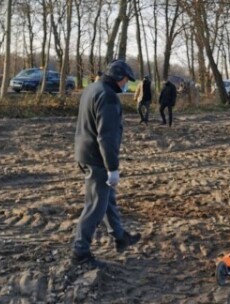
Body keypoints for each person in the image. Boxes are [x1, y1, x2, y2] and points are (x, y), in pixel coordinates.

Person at [72, 60, 141, 268]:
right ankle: (80, 251)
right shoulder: (109, 98)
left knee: (107, 198)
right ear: (120, 78)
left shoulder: (92, 88)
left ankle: (120, 236)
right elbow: (106, 137)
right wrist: (112, 168)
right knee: (95, 207)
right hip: (97, 159)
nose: (127, 85)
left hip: (84, 151)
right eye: (127, 80)